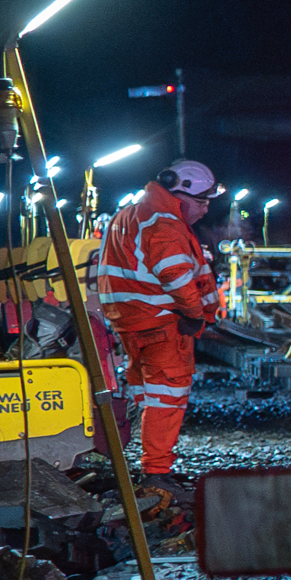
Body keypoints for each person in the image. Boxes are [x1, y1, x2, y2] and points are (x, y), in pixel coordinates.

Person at [96, 158, 225, 480]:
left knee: (150, 395)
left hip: (133, 320)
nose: (205, 209)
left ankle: (149, 467)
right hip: (163, 321)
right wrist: (194, 314)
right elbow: (175, 274)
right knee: (168, 397)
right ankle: (156, 473)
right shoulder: (164, 223)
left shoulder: (129, 215)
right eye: (201, 201)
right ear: (180, 195)